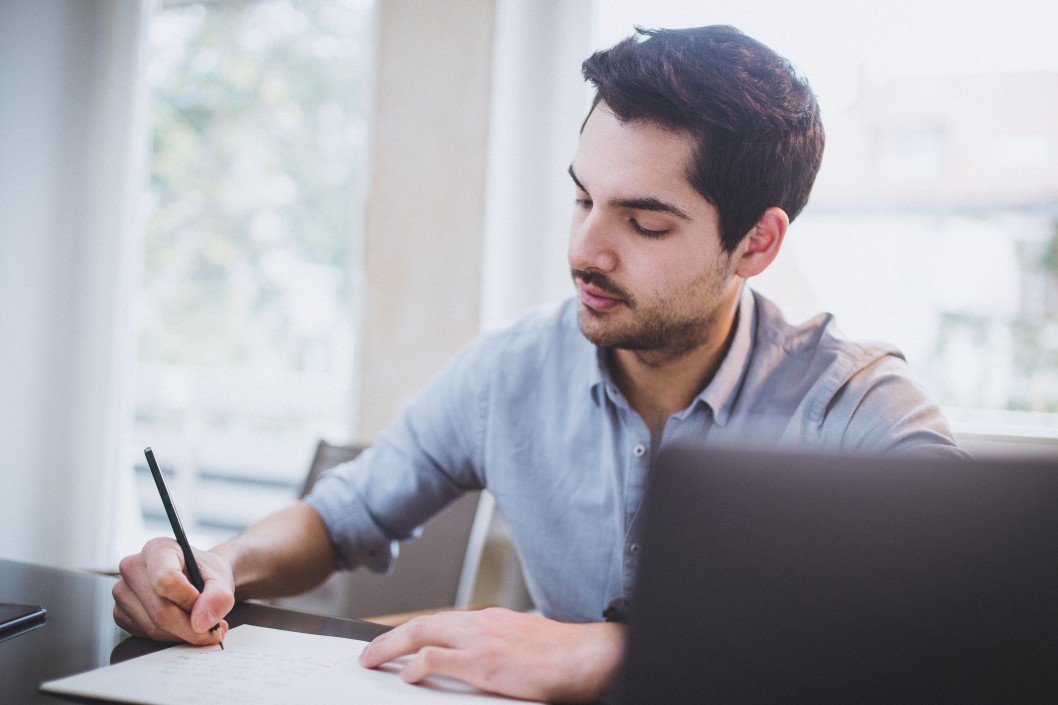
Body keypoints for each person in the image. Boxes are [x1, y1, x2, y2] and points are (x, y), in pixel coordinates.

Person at [113, 25, 964, 702]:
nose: (584, 248)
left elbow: (965, 621)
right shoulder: (509, 371)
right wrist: (216, 567)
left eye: (645, 222)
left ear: (757, 242)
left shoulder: (854, 403)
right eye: (583, 196)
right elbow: (341, 517)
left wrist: (611, 656)